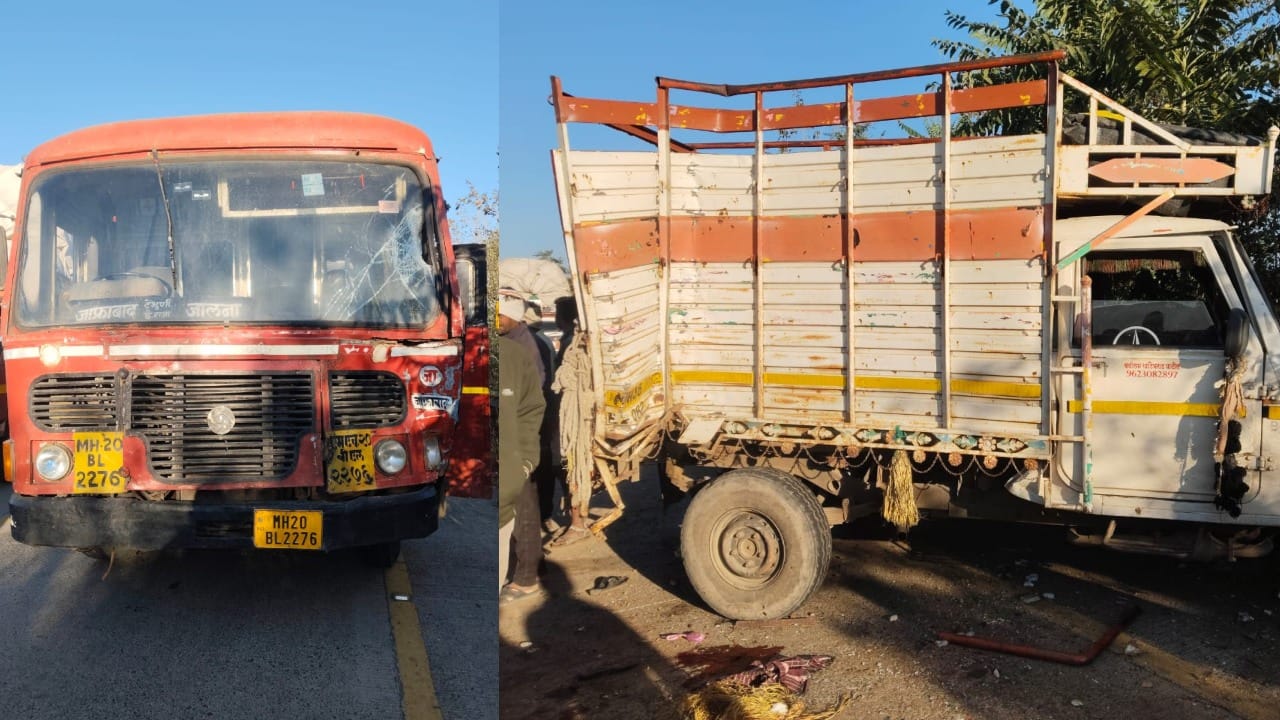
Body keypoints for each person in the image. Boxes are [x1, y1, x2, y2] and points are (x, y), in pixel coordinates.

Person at [498, 302, 546, 602]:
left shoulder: (520, 349)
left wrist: (524, 461)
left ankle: (527, 577)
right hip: (514, 457)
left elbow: (532, 403)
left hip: (515, 456)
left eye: (500, 313)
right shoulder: (516, 344)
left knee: (526, 514)